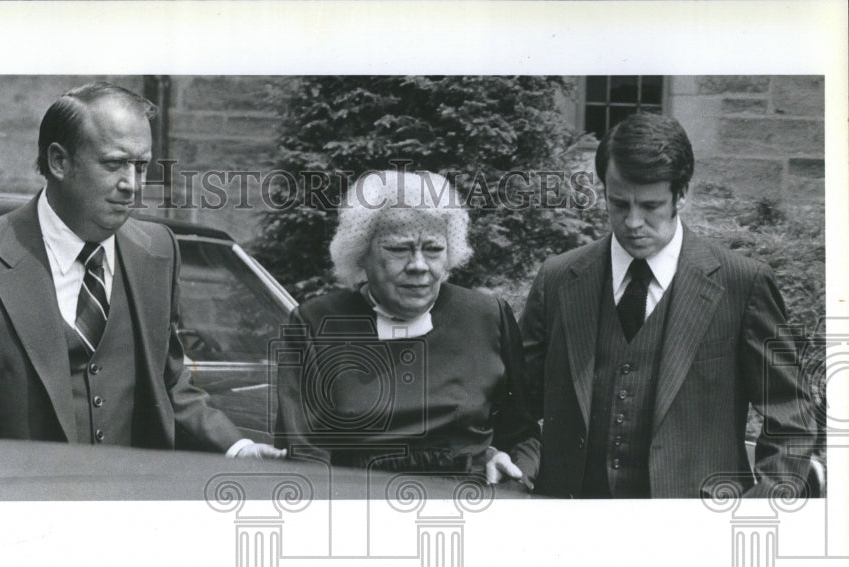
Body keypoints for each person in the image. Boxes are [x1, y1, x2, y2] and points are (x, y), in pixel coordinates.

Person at [0, 82, 283, 459]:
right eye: (114, 164)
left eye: (141, 166)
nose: (132, 185)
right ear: (59, 161)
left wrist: (238, 449)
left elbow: (169, 385)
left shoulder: (158, 252)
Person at [519, 112, 816, 498]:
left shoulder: (742, 283)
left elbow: (790, 415)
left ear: (681, 194)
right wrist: (518, 462)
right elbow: (515, 403)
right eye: (618, 203)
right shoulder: (559, 278)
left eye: (650, 205)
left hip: (700, 533)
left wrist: (758, 510)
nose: (632, 222)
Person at [274, 170, 539, 484]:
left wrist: (513, 470)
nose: (418, 265)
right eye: (399, 249)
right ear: (361, 254)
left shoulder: (486, 316)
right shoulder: (315, 324)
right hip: (361, 510)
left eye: (434, 249)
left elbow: (522, 435)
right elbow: (306, 456)